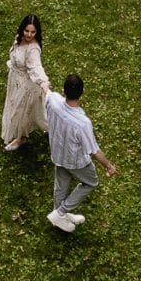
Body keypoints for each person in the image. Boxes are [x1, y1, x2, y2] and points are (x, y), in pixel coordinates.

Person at [45, 74, 117, 232]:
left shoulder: (53, 100)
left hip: (58, 154)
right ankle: (61, 212)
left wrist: (44, 84)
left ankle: (59, 217)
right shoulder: (82, 123)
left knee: (61, 185)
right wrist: (108, 166)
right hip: (75, 161)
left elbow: (46, 91)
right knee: (90, 183)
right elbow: (94, 151)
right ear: (82, 92)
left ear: (63, 90)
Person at [1, 14, 51, 151]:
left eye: (33, 32)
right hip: (15, 81)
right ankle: (21, 136)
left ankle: (20, 138)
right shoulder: (19, 38)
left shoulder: (33, 49)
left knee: (22, 112)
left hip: (27, 86)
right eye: (27, 31)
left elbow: (35, 67)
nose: (29, 35)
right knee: (17, 108)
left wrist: (43, 82)